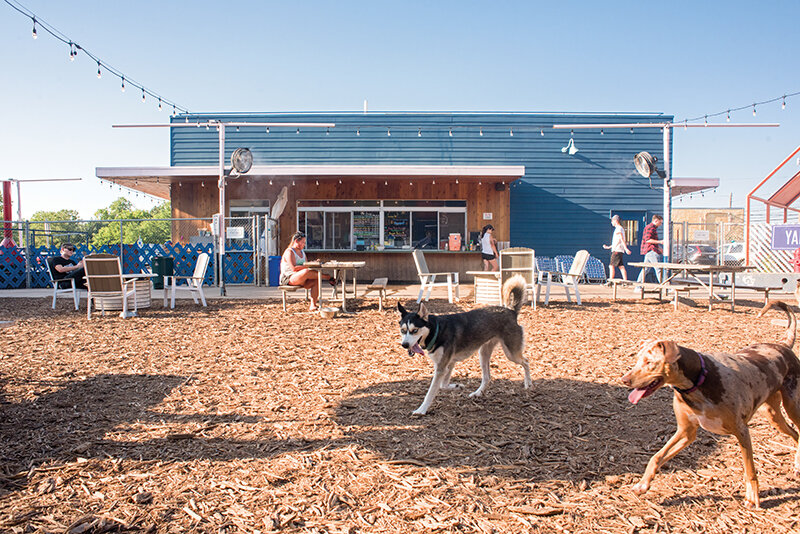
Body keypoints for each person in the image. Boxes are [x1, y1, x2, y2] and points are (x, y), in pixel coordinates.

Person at [280, 231, 335, 311]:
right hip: (289, 278)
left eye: (305, 243)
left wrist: (313, 263)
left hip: (301, 278)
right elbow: (294, 268)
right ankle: (327, 277)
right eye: (303, 242)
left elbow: (305, 264)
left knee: (316, 280)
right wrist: (308, 266)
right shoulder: (289, 252)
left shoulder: (302, 252)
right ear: (296, 241)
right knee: (306, 271)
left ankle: (313, 305)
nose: (304, 245)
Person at [603, 215, 632, 280]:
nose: (611, 222)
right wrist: (608, 247)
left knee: (611, 266)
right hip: (618, 250)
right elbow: (617, 241)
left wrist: (626, 248)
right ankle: (625, 281)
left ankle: (610, 281)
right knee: (621, 266)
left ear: (616, 221)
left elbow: (621, 239)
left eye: (612, 221)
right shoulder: (619, 228)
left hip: (617, 250)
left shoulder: (619, 228)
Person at [637, 214, 664, 284]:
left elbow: (651, 241)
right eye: (660, 222)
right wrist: (660, 242)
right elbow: (648, 240)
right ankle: (665, 285)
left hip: (649, 251)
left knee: (645, 269)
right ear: (656, 220)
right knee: (658, 268)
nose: (661, 224)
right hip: (651, 251)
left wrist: (659, 247)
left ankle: (638, 285)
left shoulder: (651, 228)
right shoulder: (650, 227)